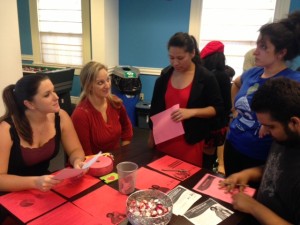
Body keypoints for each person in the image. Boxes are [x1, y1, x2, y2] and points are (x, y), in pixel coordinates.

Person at [224, 11, 300, 178]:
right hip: (233, 145)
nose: (255, 52)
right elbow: (236, 84)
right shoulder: (252, 73)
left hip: (261, 157)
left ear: (281, 53)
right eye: (257, 45)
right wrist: (234, 111)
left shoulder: (293, 81)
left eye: (263, 47)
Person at [220, 77, 300, 225]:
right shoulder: (285, 137)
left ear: (294, 122)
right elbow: (277, 168)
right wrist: (248, 173)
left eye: (271, 126)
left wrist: (253, 207)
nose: (266, 131)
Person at [148, 32, 224, 167]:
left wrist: (192, 112)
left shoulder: (206, 78)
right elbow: (155, 109)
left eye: (180, 58)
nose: (175, 63)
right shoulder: (165, 76)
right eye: (171, 58)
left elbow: (217, 109)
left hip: (190, 140)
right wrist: (151, 135)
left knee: (186, 179)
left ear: (192, 53)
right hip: (165, 138)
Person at [0, 74, 86, 193]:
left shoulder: (60, 117)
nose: (56, 97)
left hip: (43, 186)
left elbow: (75, 150)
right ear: (30, 104)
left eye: (54, 91)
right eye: (47, 95)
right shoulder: (6, 129)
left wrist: (77, 161)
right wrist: (35, 182)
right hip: (11, 194)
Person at [71, 61, 133, 155]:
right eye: (100, 83)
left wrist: (123, 152)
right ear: (89, 86)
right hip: (94, 165)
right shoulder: (80, 115)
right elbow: (86, 155)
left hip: (115, 161)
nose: (107, 85)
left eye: (108, 80)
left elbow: (127, 128)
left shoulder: (115, 103)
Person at [200, 41, 232, 171]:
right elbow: (227, 103)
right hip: (216, 124)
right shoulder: (222, 75)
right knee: (208, 158)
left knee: (199, 156)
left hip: (200, 121)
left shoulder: (202, 74)